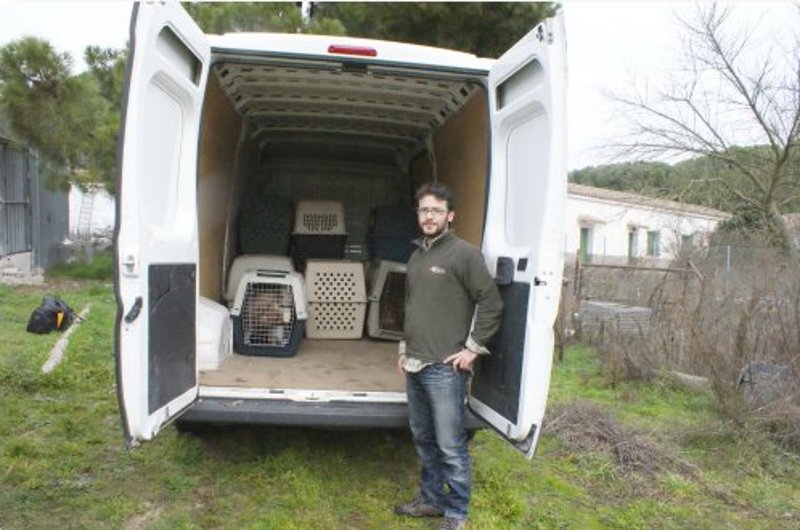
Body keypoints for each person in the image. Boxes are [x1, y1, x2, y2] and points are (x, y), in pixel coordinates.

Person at [394, 182, 503, 530]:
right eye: (424, 210)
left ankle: (457, 516)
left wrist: (472, 349)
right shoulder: (416, 255)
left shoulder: (464, 254)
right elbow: (411, 307)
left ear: (450, 216)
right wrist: (403, 348)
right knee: (424, 440)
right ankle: (429, 502)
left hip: (444, 368)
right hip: (415, 362)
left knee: (450, 445)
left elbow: (491, 302)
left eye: (436, 211)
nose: (429, 216)